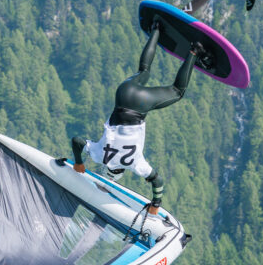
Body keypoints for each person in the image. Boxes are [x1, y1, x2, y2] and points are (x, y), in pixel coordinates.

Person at [62, 20, 206, 214]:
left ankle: (195, 51)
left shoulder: (135, 164)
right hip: (123, 95)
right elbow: (77, 141)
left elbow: (157, 180)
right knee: (143, 71)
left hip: (139, 106)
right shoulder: (98, 154)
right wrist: (79, 162)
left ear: (119, 172)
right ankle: (157, 28)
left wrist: (156, 204)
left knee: (177, 91)